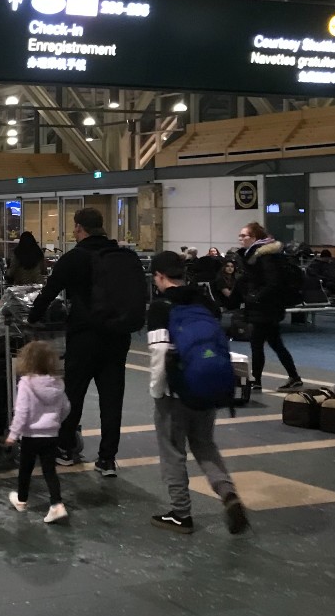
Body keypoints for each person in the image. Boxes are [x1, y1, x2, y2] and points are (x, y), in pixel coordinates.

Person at [146, 251, 250, 535]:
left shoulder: (160, 306)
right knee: (205, 445)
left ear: (159, 276)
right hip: (206, 384)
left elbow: (159, 352)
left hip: (176, 391)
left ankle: (181, 513)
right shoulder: (204, 300)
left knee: (173, 451)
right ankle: (227, 492)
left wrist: (157, 391)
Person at [27, 207, 135, 475]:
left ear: (79, 228)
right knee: (112, 398)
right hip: (118, 336)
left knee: (73, 394)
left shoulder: (74, 257)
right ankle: (107, 459)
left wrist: (32, 318)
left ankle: (65, 449)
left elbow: (49, 292)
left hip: (84, 336)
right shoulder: (122, 256)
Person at [233, 222, 303, 391]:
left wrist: (254, 297)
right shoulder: (256, 254)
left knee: (257, 343)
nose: (240, 238)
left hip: (265, 307)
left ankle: (256, 380)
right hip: (265, 307)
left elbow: (272, 282)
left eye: (244, 235)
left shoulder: (265, 256)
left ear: (254, 238)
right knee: (274, 343)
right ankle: (293, 377)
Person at [5, 340, 70, 523]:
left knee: (25, 469)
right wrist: (55, 422)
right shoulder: (58, 383)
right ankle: (57, 504)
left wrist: (13, 434)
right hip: (51, 435)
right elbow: (66, 407)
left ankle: (21, 500)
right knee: (50, 471)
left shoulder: (26, 383)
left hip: (31, 436)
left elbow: (22, 412)